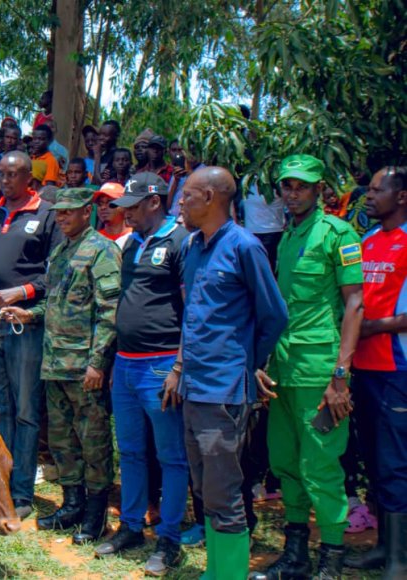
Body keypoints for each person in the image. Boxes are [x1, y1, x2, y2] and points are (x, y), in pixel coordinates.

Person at [251, 155, 364, 580]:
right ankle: (295, 555)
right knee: (285, 462)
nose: (293, 193)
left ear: (319, 189)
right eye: (287, 186)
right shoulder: (288, 235)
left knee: (321, 467)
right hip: (284, 369)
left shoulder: (338, 233)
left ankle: (331, 557)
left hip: (320, 372)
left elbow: (355, 304)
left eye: (302, 186)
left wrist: (340, 377)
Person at [176, 167, 288, 579]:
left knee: (223, 493)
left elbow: (274, 315)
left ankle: (230, 574)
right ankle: (215, 570)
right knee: (205, 488)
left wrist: (249, 363)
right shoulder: (194, 246)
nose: (181, 202)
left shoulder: (245, 246)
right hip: (193, 387)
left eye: (188, 195)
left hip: (223, 392)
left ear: (209, 197)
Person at [3, 188, 120, 544]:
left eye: (70, 211)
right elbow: (56, 303)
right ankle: (72, 505)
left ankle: (95, 515)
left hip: (84, 367)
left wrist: (98, 363)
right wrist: (30, 314)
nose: (62, 217)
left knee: (93, 441)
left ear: (87, 212)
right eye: (59, 212)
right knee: (62, 440)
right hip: (55, 363)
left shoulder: (102, 250)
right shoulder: (60, 251)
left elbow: (110, 311)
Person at [93, 174, 189, 576]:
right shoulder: (131, 243)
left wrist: (180, 367)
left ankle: (169, 539)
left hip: (162, 365)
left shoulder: (181, 241)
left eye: (132, 205)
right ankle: (131, 527)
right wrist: (115, 361)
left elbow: (191, 307)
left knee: (171, 457)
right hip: (127, 364)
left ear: (155, 201)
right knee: (130, 452)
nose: (125, 212)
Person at [0, 151, 62, 519]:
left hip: (24, 323)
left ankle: (21, 493)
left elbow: (56, 272)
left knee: (26, 411)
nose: (6, 180)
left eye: (13, 174)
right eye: (1, 173)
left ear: (29, 178)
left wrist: (23, 292)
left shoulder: (47, 215)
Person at [345, 166, 407, 577]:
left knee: (395, 463)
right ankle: (383, 546)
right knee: (373, 458)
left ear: (401, 196)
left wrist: (369, 327)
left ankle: (399, 558)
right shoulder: (367, 242)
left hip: (395, 368)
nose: (368, 196)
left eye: (376, 190)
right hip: (362, 367)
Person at [93, 183, 131, 247]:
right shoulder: (94, 240)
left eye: (109, 202)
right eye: (100, 204)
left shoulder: (135, 238)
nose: (103, 207)